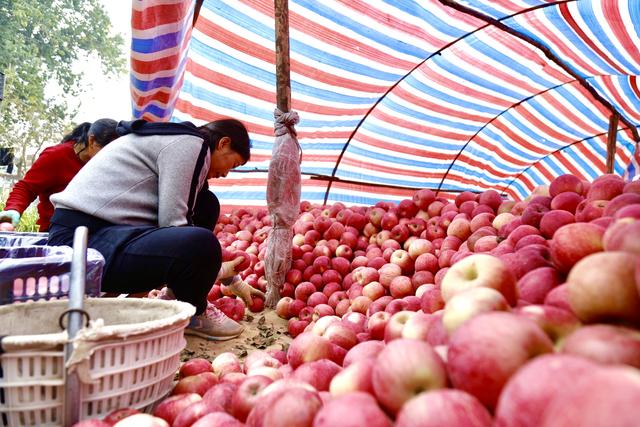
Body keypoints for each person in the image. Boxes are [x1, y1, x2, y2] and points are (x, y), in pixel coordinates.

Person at [48, 118, 258, 340]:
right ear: (223, 143)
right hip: (82, 242)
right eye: (232, 165)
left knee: (205, 204)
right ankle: (194, 311)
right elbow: (174, 225)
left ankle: (174, 297)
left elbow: (180, 222)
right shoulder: (192, 144)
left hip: (102, 235)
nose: (226, 174)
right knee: (201, 243)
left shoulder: (172, 139)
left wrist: (231, 280)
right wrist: (221, 271)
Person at [0, 119, 119, 231]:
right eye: (107, 151)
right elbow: (26, 188)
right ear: (92, 141)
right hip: (57, 232)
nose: (110, 159)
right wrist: (12, 211)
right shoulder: (56, 156)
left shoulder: (109, 165)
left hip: (95, 232)